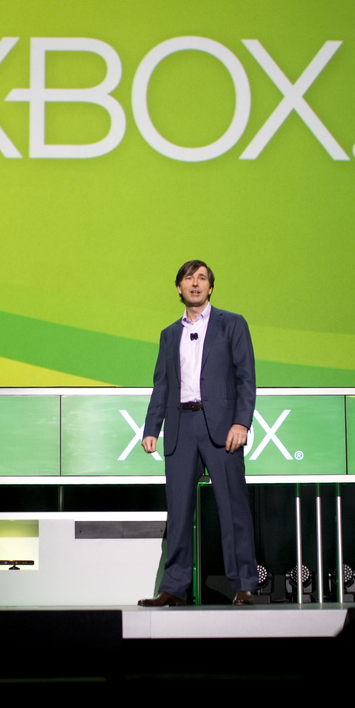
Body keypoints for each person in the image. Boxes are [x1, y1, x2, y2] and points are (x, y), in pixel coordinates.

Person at [138, 260, 259, 607]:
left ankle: (244, 586)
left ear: (210, 287)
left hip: (222, 427)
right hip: (181, 427)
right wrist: (152, 427)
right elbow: (162, 384)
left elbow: (245, 377)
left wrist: (242, 422)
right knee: (178, 511)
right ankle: (173, 588)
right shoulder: (169, 334)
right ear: (179, 288)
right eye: (189, 278)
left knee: (233, 508)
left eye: (202, 278)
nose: (195, 283)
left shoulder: (232, 324)